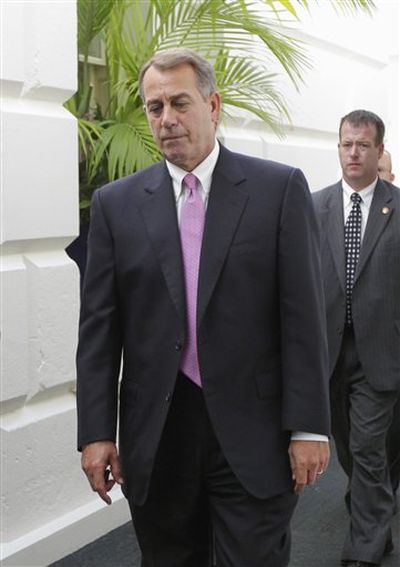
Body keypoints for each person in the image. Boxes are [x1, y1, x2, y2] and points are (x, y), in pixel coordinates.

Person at [77, 48, 330, 567]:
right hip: (159, 436)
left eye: (179, 103)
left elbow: (303, 318)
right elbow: (99, 331)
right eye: (154, 107)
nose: (166, 119)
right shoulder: (115, 205)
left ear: (212, 105)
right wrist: (97, 432)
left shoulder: (277, 189)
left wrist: (309, 426)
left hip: (255, 434)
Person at [313, 110, 400, 567]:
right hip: (328, 352)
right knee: (346, 445)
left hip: (380, 351)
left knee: (368, 447)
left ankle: (364, 548)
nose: (353, 152)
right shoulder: (314, 206)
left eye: (363, 145)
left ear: (379, 150)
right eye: (347, 144)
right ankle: (377, 520)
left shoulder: (398, 206)